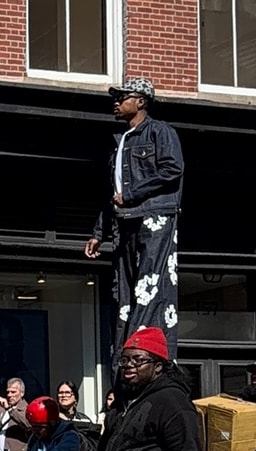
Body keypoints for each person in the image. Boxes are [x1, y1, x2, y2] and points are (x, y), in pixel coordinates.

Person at [85, 79, 184, 364]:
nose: (116, 102)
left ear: (141, 101)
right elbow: (112, 194)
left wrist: (131, 194)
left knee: (149, 285)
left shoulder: (160, 132)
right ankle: (127, 352)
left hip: (154, 217)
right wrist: (98, 233)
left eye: (122, 97)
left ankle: (148, 351)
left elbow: (172, 169)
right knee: (126, 292)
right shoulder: (120, 142)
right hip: (124, 221)